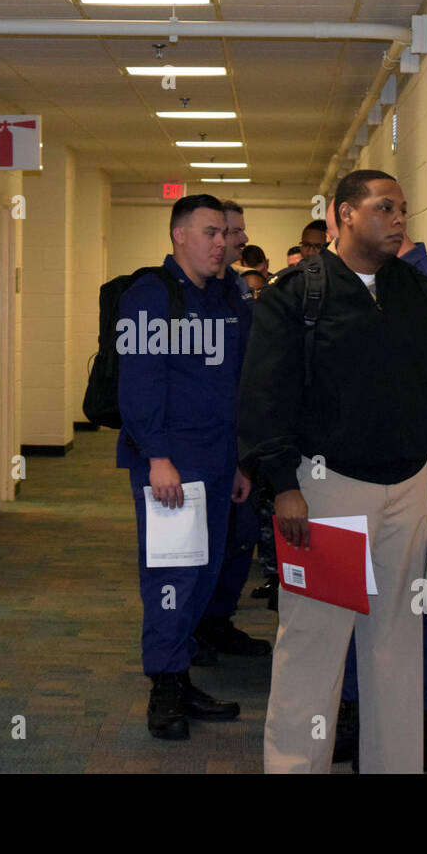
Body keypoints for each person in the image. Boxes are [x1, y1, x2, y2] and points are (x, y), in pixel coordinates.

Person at [238, 170, 427, 773]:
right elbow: (266, 397)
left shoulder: (419, 293)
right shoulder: (298, 294)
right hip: (326, 492)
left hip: (409, 491)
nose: (399, 219)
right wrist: (285, 486)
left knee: (396, 646)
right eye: (384, 207)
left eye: (403, 209)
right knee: (314, 646)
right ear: (344, 213)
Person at [118, 194, 253, 740]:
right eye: (208, 233)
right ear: (178, 235)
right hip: (171, 466)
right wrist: (156, 457)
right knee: (171, 577)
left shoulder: (226, 298)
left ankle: (182, 670)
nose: (221, 243)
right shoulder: (151, 296)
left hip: (219, 462)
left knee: (205, 571)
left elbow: (237, 386)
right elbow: (140, 383)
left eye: (225, 233)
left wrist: (241, 460)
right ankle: (165, 691)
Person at [335, 218, 427, 770]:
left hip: (415, 472)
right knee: (350, 594)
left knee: (407, 606)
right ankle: (359, 715)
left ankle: (416, 727)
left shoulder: (425, 287)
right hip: (353, 475)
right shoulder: (368, 283)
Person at [195, 200, 272, 661]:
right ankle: (190, 634)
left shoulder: (237, 292)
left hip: (239, 445)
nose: (238, 239)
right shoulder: (194, 294)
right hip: (204, 445)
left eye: (239, 231)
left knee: (237, 540)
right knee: (196, 550)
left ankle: (217, 623)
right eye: (230, 230)